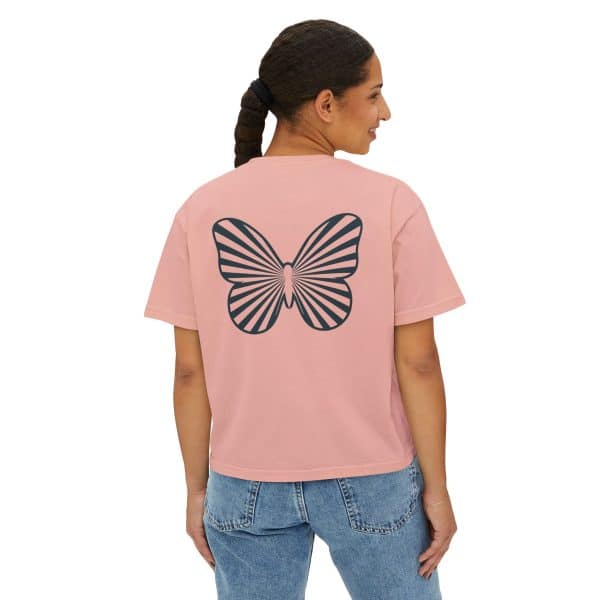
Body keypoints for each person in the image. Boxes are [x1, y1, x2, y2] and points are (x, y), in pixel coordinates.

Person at [144, 18, 466, 600]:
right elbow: (418, 364)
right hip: (372, 475)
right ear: (325, 104)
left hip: (243, 480)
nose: (385, 112)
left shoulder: (200, 210)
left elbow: (190, 373)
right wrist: (437, 489)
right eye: (373, 95)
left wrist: (197, 490)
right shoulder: (392, 203)